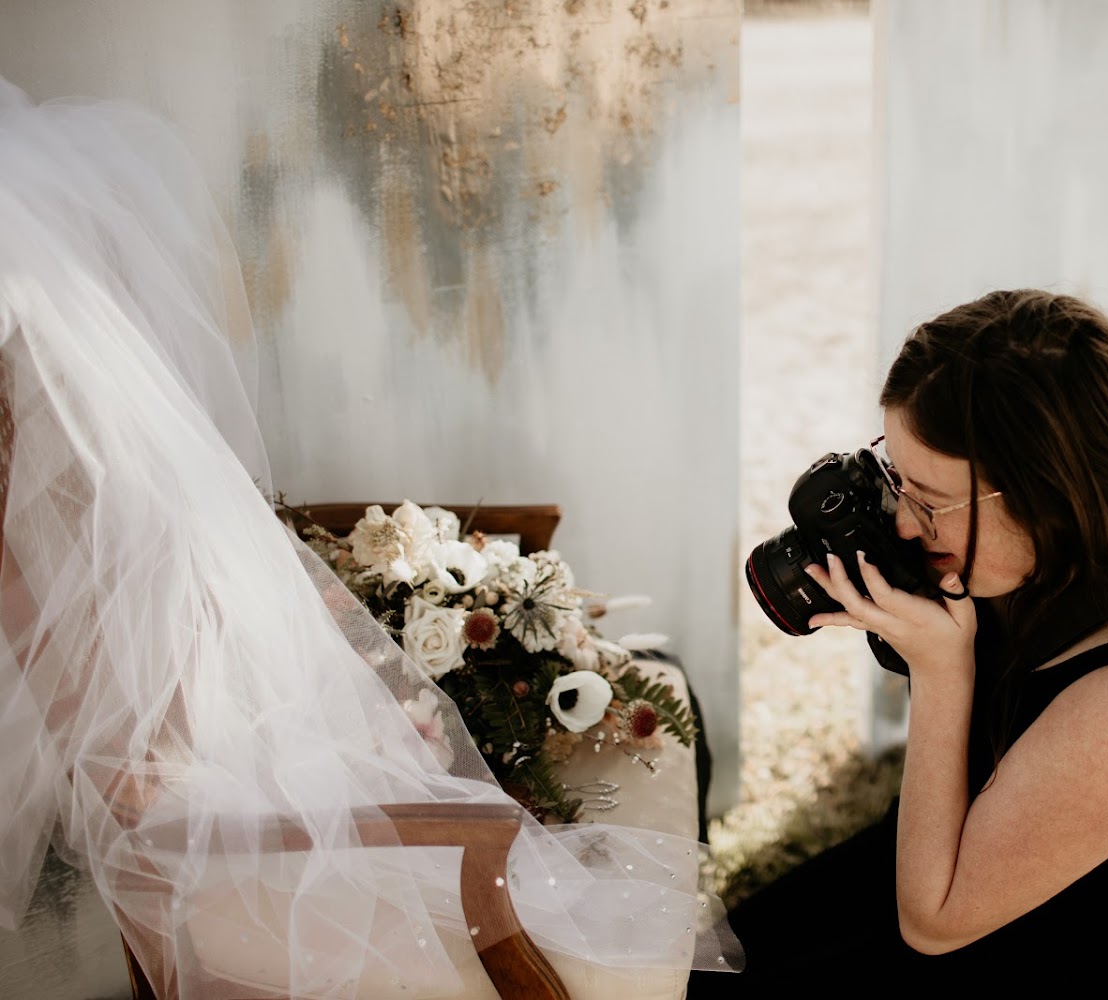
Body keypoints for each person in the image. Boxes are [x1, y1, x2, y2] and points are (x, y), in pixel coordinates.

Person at [0, 80, 740, 996]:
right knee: (596, 878)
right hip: (286, 852)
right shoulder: (54, 569)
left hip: (312, 783)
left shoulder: (143, 504)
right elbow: (148, 800)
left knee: (648, 707)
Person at [692, 289, 1108, 996]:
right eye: (896, 480)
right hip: (940, 860)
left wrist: (941, 671)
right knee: (696, 973)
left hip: (1031, 953)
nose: (906, 524)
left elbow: (934, 922)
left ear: (1048, 496)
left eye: (930, 499)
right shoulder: (1035, 565)